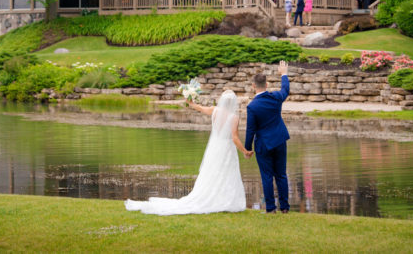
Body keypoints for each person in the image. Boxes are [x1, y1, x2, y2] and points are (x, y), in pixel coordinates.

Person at [125, 90, 251, 215]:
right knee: (225, 173)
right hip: (226, 149)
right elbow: (234, 138)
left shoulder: (214, 110)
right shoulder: (234, 118)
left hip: (214, 147)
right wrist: (245, 151)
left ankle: (213, 197)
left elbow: (199, 108)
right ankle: (224, 200)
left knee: (212, 172)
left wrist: (190, 102)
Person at [246, 61, 291, 214]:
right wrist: (284, 74)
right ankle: (285, 207)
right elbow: (285, 90)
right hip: (279, 141)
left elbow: (250, 130)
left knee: (267, 177)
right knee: (281, 174)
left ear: (253, 86)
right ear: (266, 85)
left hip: (264, 145)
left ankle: (271, 208)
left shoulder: (252, 106)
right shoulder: (275, 97)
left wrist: (247, 148)